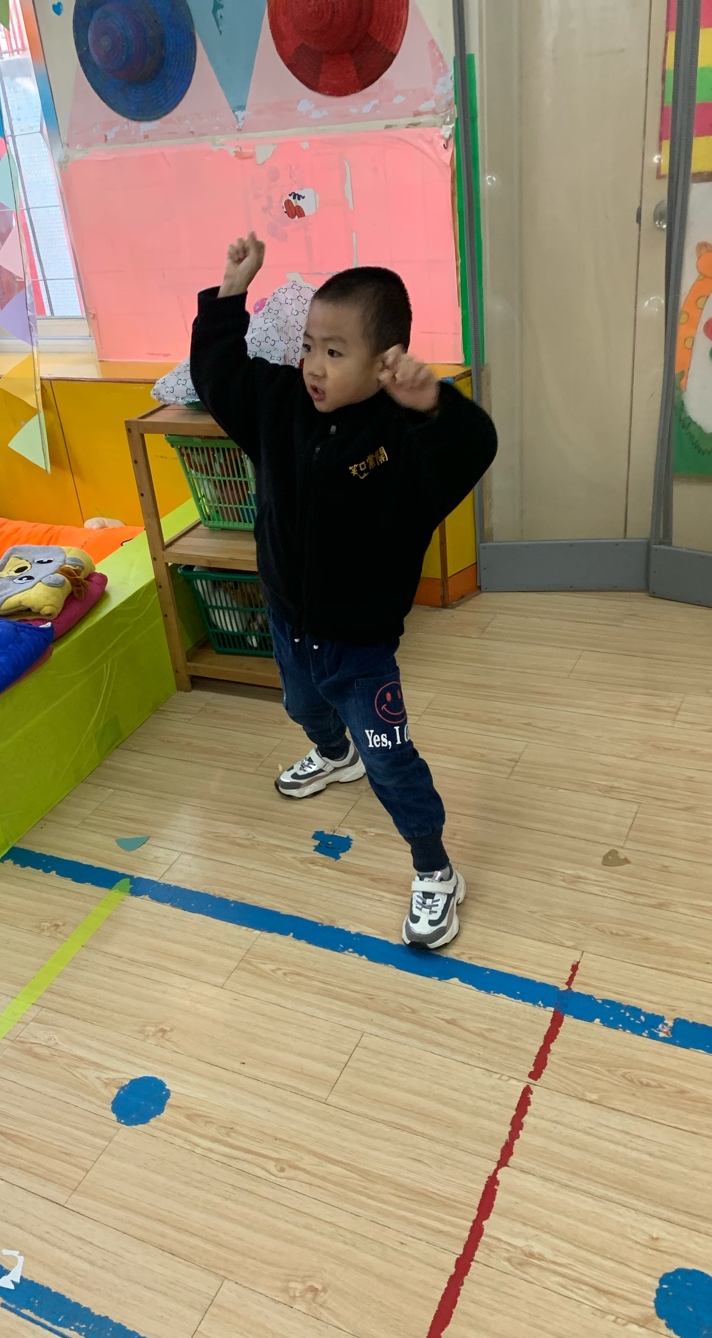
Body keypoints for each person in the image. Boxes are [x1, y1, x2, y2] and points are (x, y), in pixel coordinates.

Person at [191, 233, 498, 949]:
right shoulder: (279, 405)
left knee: (391, 759)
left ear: (385, 360)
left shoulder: (405, 442)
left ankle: (435, 868)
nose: (313, 365)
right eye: (308, 346)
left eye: (334, 351)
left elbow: (473, 446)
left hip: (361, 649)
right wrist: (231, 291)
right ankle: (334, 754)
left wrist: (433, 405)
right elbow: (219, 374)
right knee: (301, 706)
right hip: (289, 620)